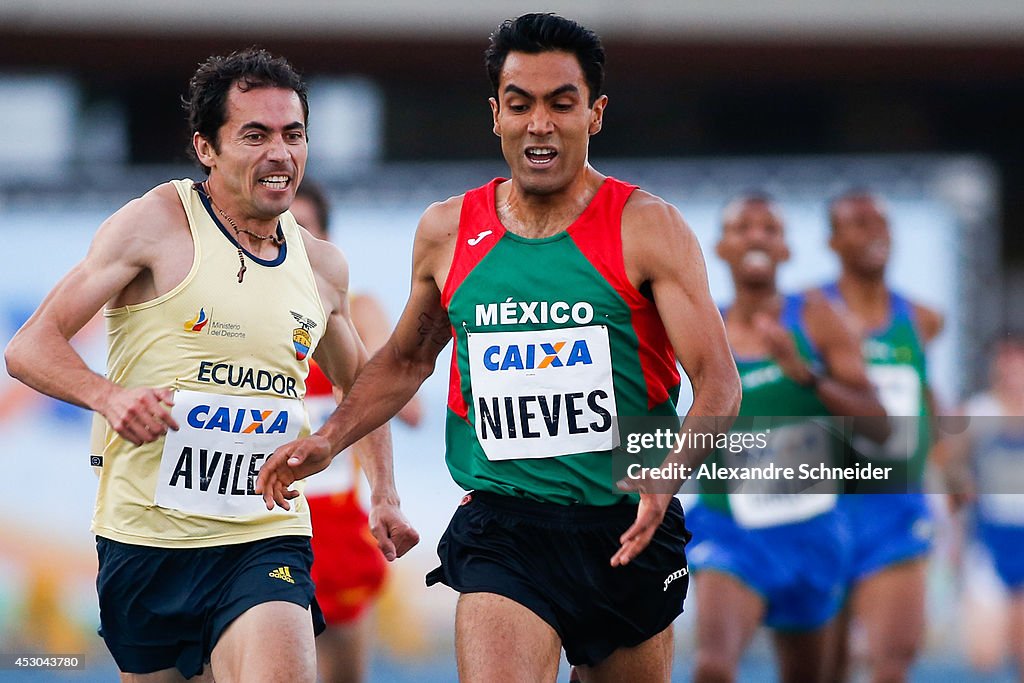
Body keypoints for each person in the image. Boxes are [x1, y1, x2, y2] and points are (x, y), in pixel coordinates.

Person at [257, 13, 741, 683]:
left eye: (560, 103)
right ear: (496, 115)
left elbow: (719, 383)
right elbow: (403, 360)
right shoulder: (447, 231)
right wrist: (331, 438)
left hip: (628, 522)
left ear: (594, 113)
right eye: (520, 104)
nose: (539, 122)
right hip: (504, 525)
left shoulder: (650, 229)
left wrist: (669, 475)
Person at [3, 48, 418, 683]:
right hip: (146, 542)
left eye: (293, 134)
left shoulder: (321, 265)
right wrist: (108, 396)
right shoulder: (156, 223)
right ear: (206, 147)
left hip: (265, 536)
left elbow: (363, 385)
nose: (280, 153)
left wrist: (384, 495)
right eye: (255, 135)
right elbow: (29, 347)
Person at [687, 193, 887, 683]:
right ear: (721, 247)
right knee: (713, 666)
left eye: (769, 229)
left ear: (786, 250)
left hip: (810, 531)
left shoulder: (815, 316)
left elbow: (878, 423)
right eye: (743, 227)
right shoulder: (702, 325)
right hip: (730, 531)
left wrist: (808, 376)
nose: (756, 236)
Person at [289, 181, 423, 683]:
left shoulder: (354, 309)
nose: (288, 239)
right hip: (260, 516)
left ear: (326, 242)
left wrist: (370, 378)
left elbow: (406, 410)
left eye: (301, 229)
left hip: (335, 527)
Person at [818, 189, 943, 683]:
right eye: (859, 223)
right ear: (833, 239)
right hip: (824, 505)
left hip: (894, 508)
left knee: (894, 662)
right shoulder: (810, 313)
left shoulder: (923, 319)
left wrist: (945, 462)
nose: (875, 233)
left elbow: (924, 394)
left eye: (882, 223)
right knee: (826, 668)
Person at [942, 334, 1024, 680]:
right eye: (1006, 365)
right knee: (983, 656)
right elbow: (944, 465)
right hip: (989, 542)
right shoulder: (977, 412)